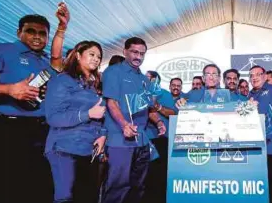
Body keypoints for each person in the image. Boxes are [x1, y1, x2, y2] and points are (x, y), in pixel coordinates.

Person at [0, 3, 69, 203]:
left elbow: (56, 57)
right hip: (7, 130)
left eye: (42, 33)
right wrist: (9, 89)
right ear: (19, 32)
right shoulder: (1, 51)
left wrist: (62, 27)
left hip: (43, 132)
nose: (37, 36)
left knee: (40, 186)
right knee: (9, 188)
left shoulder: (46, 61)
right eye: (30, 31)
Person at [102, 37, 166, 203]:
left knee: (138, 187)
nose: (138, 56)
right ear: (125, 52)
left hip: (142, 141)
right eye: (134, 52)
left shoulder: (145, 80)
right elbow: (111, 102)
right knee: (117, 187)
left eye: (142, 53)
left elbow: (149, 108)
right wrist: (124, 124)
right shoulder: (113, 72)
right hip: (120, 140)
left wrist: (158, 122)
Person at [44, 41, 107, 203]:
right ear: (78, 55)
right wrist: (88, 114)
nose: (96, 59)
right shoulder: (62, 80)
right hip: (64, 148)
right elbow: (53, 117)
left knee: (86, 196)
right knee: (65, 197)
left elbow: (101, 115)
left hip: (88, 149)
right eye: (91, 54)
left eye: (99, 57)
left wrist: (102, 135)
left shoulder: (94, 86)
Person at [247, 65, 272, 203]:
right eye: (251, 75)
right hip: (257, 146)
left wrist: (259, 117)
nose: (254, 77)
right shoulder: (249, 95)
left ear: (264, 76)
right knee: (263, 183)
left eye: (258, 74)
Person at [144, 71, 177, 203]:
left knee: (160, 174)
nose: (145, 80)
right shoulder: (140, 93)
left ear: (155, 80)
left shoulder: (164, 93)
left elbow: (173, 112)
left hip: (161, 139)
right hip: (143, 139)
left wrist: (157, 107)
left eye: (148, 78)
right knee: (145, 176)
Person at [176, 64, 246, 105]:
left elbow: (242, 109)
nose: (211, 77)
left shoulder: (230, 95)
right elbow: (183, 103)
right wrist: (181, 103)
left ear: (219, 78)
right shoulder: (193, 94)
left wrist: (249, 106)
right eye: (208, 74)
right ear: (203, 78)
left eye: (214, 74)